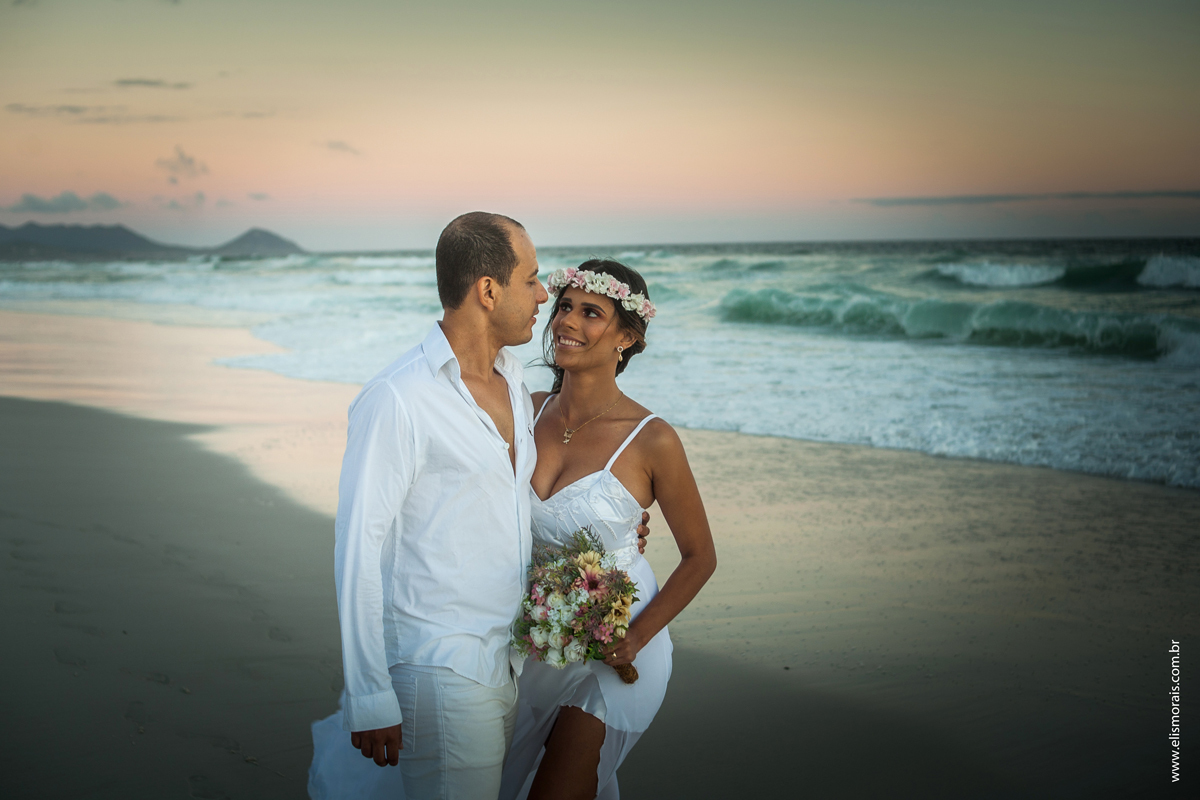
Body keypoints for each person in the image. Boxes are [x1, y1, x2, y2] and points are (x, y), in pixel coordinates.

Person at [308, 215, 649, 800]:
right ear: (489, 291)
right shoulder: (400, 398)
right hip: (441, 662)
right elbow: (358, 547)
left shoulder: (516, 383)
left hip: (506, 661)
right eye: (534, 279)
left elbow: (513, 504)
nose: (546, 295)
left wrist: (615, 523)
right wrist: (369, 693)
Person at [498, 260, 718, 800]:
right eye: (564, 307)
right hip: (536, 639)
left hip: (617, 642)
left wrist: (635, 640)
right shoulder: (524, 413)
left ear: (627, 337)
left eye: (591, 312)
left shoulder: (652, 439)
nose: (567, 321)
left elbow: (699, 556)